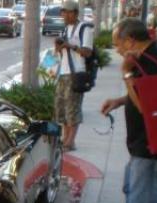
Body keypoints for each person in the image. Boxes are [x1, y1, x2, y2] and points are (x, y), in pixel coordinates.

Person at [101, 18, 157, 203]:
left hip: (149, 148)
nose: (117, 50)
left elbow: (145, 107)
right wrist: (119, 100)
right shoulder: (149, 57)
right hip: (142, 144)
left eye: (118, 44)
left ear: (130, 41)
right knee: (132, 193)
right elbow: (146, 95)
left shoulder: (147, 62)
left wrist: (126, 73)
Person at [54, 0, 94, 151]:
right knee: (62, 109)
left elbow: (87, 52)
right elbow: (61, 51)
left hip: (76, 73)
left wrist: (70, 45)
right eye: (63, 12)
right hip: (63, 73)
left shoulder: (84, 28)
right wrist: (58, 46)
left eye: (66, 12)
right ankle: (66, 138)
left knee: (73, 109)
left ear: (75, 13)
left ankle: (70, 142)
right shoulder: (65, 29)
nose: (63, 15)